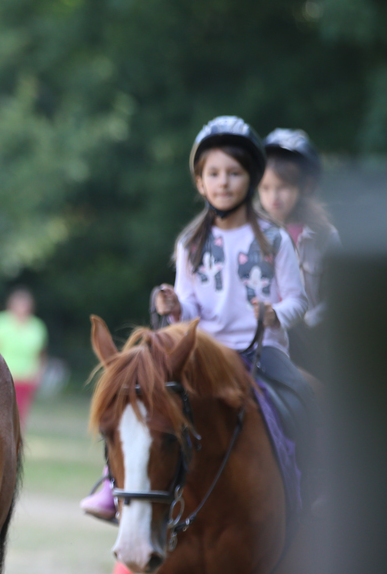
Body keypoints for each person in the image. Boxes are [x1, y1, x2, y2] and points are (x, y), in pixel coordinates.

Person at [81, 116, 312, 522]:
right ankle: (111, 482)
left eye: (234, 173)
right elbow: (190, 310)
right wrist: (175, 308)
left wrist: (275, 314)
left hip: (262, 350)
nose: (223, 182)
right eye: (213, 173)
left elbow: (299, 300)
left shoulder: (276, 240)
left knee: (299, 400)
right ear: (201, 183)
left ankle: (309, 492)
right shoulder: (190, 242)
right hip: (203, 353)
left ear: (251, 179)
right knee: (145, 399)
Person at [259, 129, 339, 367]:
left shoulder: (323, 236)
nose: (274, 196)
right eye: (265, 188)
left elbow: (338, 296)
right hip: (262, 344)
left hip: (312, 350)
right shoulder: (248, 235)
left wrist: (306, 324)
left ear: (305, 185)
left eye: (282, 186)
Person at [0, 287, 47, 426]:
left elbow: (40, 353)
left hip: (25, 378)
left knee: (20, 416)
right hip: (2, 376)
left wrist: (39, 374)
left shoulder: (37, 326)